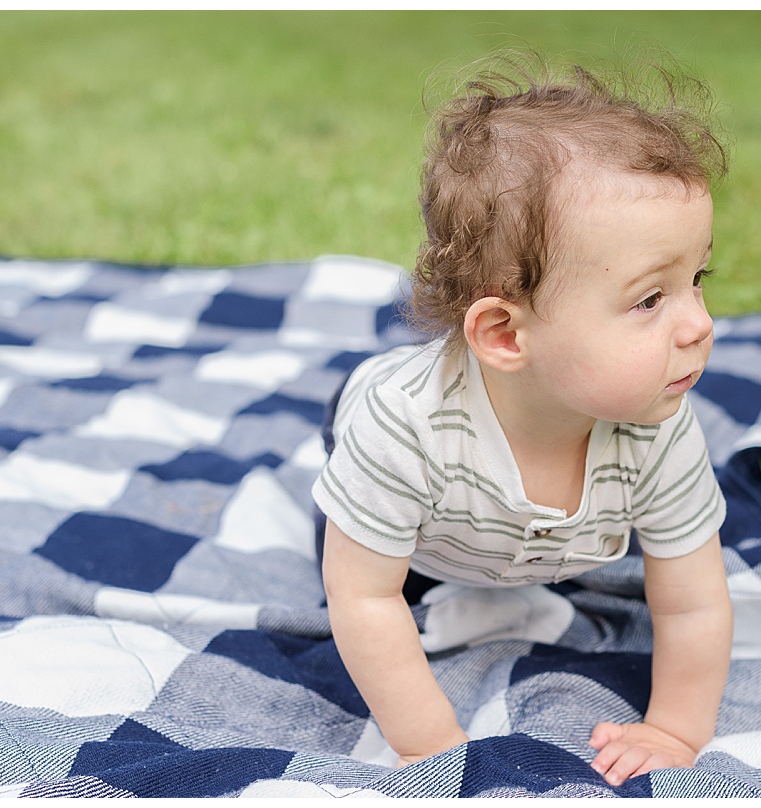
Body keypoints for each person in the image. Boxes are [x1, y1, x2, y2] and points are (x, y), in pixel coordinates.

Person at [311, 53, 733, 786]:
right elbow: (363, 597)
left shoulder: (659, 429)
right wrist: (430, 746)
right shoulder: (401, 429)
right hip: (417, 502)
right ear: (507, 334)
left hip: (531, 539)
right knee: (362, 564)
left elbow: (695, 600)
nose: (699, 324)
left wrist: (674, 731)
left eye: (696, 281)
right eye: (648, 300)